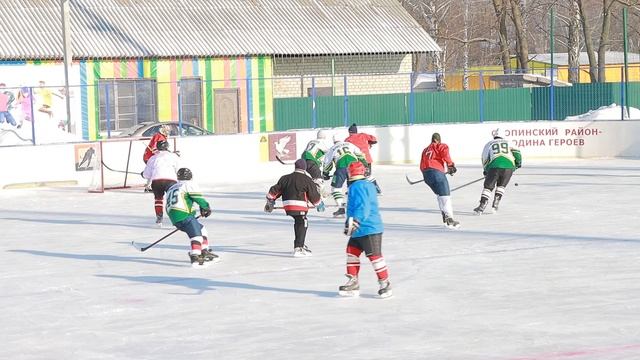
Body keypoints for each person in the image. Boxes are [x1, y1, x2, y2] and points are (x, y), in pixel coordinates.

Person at [338, 161, 392, 298]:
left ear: (350, 173)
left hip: (368, 228)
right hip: (360, 229)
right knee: (351, 252)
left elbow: (363, 206)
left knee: (374, 256)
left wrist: (355, 221)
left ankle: (385, 283)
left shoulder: (358, 186)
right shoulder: (366, 185)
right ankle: (353, 282)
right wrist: (349, 223)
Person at [265, 159, 322, 257]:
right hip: (299, 205)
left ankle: (300, 244)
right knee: (303, 222)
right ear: (304, 168)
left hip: (287, 205)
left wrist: (270, 201)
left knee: (299, 221)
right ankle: (298, 248)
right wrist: (319, 203)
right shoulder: (306, 179)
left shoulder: (285, 178)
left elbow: (275, 190)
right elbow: (313, 195)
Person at [164, 168, 218, 267]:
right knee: (196, 235)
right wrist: (205, 207)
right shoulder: (188, 184)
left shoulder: (173, 187)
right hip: (183, 214)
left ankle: (204, 250)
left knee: (202, 230)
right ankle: (195, 256)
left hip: (174, 216)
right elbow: (198, 198)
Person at [473, 128, 522, 214]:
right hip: (509, 167)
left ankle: (482, 205)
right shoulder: (508, 142)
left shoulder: (489, 144)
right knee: (501, 186)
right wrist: (517, 164)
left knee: (488, 187)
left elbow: (485, 158)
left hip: (494, 166)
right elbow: (517, 153)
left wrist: (486, 170)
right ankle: (496, 203)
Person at [420, 132, 460, 229]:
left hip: (426, 175)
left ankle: (445, 216)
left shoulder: (425, 150)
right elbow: (445, 154)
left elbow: (422, 165)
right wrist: (450, 166)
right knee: (445, 195)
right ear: (437, 140)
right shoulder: (440, 146)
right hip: (437, 173)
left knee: (439, 195)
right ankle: (449, 219)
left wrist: (427, 174)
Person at [322, 133, 367, 218]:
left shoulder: (332, 149)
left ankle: (341, 209)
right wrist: (365, 165)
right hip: (354, 168)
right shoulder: (350, 144)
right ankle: (359, 209)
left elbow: (327, 164)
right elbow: (360, 155)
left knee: (335, 189)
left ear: (334, 141)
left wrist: (325, 174)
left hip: (341, 168)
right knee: (354, 188)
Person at [142, 140, 180, 226]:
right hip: (171, 180)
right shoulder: (173, 156)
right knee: (172, 199)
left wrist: (143, 174)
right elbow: (179, 169)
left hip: (157, 181)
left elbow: (146, 174)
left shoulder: (153, 158)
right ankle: (176, 217)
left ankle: (159, 217)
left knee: (158, 199)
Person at [344, 123, 382, 194]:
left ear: (349, 132)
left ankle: (351, 190)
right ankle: (377, 189)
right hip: (367, 159)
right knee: (367, 175)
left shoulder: (347, 140)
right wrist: (369, 143)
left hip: (356, 161)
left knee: (352, 175)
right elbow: (374, 139)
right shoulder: (363, 135)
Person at [301, 129, 331, 194]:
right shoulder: (321, 142)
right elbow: (328, 152)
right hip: (311, 162)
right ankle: (320, 195)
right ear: (324, 136)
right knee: (318, 180)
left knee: (308, 179)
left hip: (303, 161)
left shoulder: (311, 141)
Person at [143, 125, 171, 192]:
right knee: (154, 170)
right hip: (150, 157)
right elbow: (154, 147)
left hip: (155, 157)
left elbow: (162, 148)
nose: (168, 132)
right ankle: (149, 186)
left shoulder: (163, 137)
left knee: (156, 170)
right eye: (166, 130)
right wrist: (157, 151)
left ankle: (149, 186)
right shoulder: (158, 136)